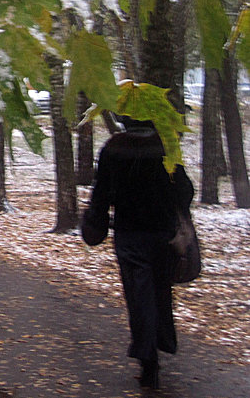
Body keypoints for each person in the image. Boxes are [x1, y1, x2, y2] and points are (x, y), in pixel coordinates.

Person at [81, 115, 195, 390]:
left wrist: (95, 221)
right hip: (163, 233)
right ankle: (161, 341)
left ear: (124, 120)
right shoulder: (165, 146)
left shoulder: (113, 148)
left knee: (137, 293)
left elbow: (102, 192)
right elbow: (185, 190)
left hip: (130, 234)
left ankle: (147, 358)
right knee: (160, 291)